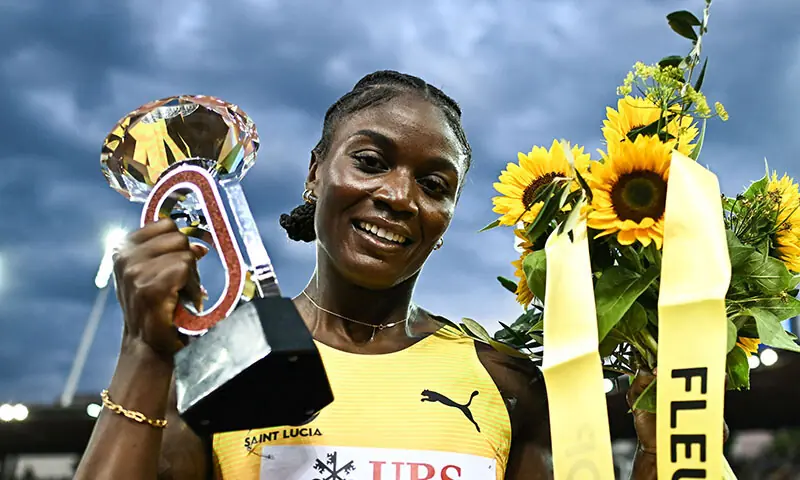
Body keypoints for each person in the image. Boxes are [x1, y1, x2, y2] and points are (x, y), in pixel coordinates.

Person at [74, 70, 661, 479]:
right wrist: (144, 354)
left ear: (449, 215)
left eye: (434, 185)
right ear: (316, 172)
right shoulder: (220, 365)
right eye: (371, 162)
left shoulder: (508, 383)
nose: (399, 196)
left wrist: (661, 438)